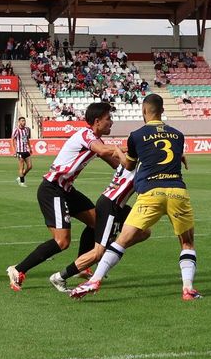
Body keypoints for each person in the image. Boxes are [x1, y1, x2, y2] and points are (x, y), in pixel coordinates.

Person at [70, 93, 199, 300]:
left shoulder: (137, 135)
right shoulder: (178, 135)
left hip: (150, 193)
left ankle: (94, 280)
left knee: (121, 241)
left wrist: (117, 152)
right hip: (177, 191)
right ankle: (188, 289)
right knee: (187, 243)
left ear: (144, 111)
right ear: (162, 111)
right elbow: (169, 152)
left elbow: (129, 165)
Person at [6, 101, 120, 291]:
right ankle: (17, 269)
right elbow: (104, 151)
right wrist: (129, 148)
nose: (112, 122)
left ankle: (80, 266)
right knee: (62, 241)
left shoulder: (97, 141)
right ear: (97, 121)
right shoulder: (87, 135)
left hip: (66, 190)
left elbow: (117, 163)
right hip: (52, 189)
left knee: (96, 221)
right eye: (109, 119)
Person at [50, 160, 143, 291]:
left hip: (117, 204)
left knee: (143, 232)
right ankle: (60, 277)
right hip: (111, 204)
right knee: (98, 253)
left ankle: (111, 249)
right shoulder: (141, 162)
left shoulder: (132, 159)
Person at [12, 117, 33, 185]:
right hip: (20, 151)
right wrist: (14, 150)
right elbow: (12, 140)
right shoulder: (16, 130)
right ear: (19, 122)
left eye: (24, 121)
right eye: (22, 121)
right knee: (22, 166)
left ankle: (20, 177)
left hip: (26, 150)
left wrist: (30, 148)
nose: (24, 122)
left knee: (30, 166)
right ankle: (22, 182)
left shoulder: (26, 129)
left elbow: (27, 139)